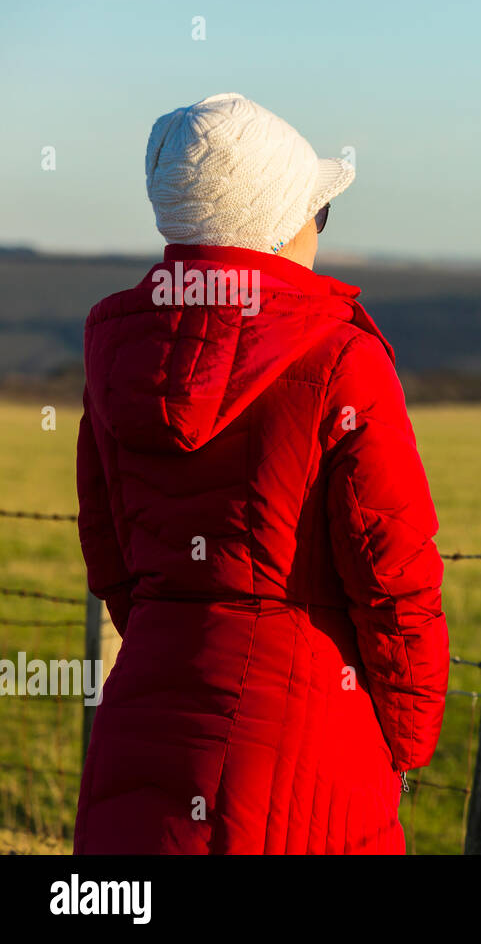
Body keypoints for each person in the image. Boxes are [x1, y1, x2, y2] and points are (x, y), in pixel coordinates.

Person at [73, 93, 448, 854]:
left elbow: (109, 553)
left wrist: (178, 635)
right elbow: (396, 579)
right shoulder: (342, 358)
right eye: (318, 211)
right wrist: (405, 741)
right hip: (309, 737)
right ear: (281, 225)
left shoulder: (115, 352)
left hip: (142, 714)